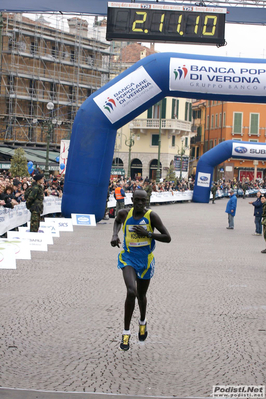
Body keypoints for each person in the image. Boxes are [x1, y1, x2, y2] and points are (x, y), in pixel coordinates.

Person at [110, 189, 171, 351]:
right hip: (128, 258)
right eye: (136, 200)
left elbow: (168, 237)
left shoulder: (152, 216)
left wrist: (148, 233)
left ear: (146, 201)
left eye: (142, 201)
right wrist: (115, 235)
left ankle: (142, 321)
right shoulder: (124, 214)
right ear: (132, 199)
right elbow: (116, 221)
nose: (139, 203)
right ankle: (126, 333)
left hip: (145, 261)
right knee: (131, 291)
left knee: (141, 296)